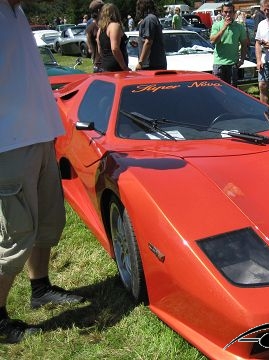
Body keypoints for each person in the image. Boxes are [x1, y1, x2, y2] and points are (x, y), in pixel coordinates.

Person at [0, 0, 85, 344]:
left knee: (49, 222)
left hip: (39, 136)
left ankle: (40, 289)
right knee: (16, 237)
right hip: (9, 144)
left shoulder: (16, 13)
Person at [210, 2, 248, 87]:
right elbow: (213, 41)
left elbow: (244, 44)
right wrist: (223, 28)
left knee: (231, 90)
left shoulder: (239, 27)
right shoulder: (217, 25)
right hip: (219, 63)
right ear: (222, 12)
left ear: (234, 13)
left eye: (230, 12)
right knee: (218, 90)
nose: (228, 14)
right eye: (226, 12)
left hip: (232, 64)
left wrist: (242, 60)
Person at [135, 0, 167, 70]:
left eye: (139, 7)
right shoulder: (151, 18)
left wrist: (140, 62)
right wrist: (138, 43)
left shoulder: (149, 19)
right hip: (153, 64)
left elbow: (148, 42)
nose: (138, 10)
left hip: (151, 65)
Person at [97, 3, 129, 72]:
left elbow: (100, 49)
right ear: (115, 13)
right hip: (116, 66)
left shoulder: (100, 29)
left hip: (105, 64)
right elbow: (115, 48)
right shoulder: (114, 26)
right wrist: (124, 67)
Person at [86, 0, 104, 73]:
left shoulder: (90, 23)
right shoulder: (93, 24)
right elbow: (88, 38)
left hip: (98, 60)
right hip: (100, 61)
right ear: (99, 10)